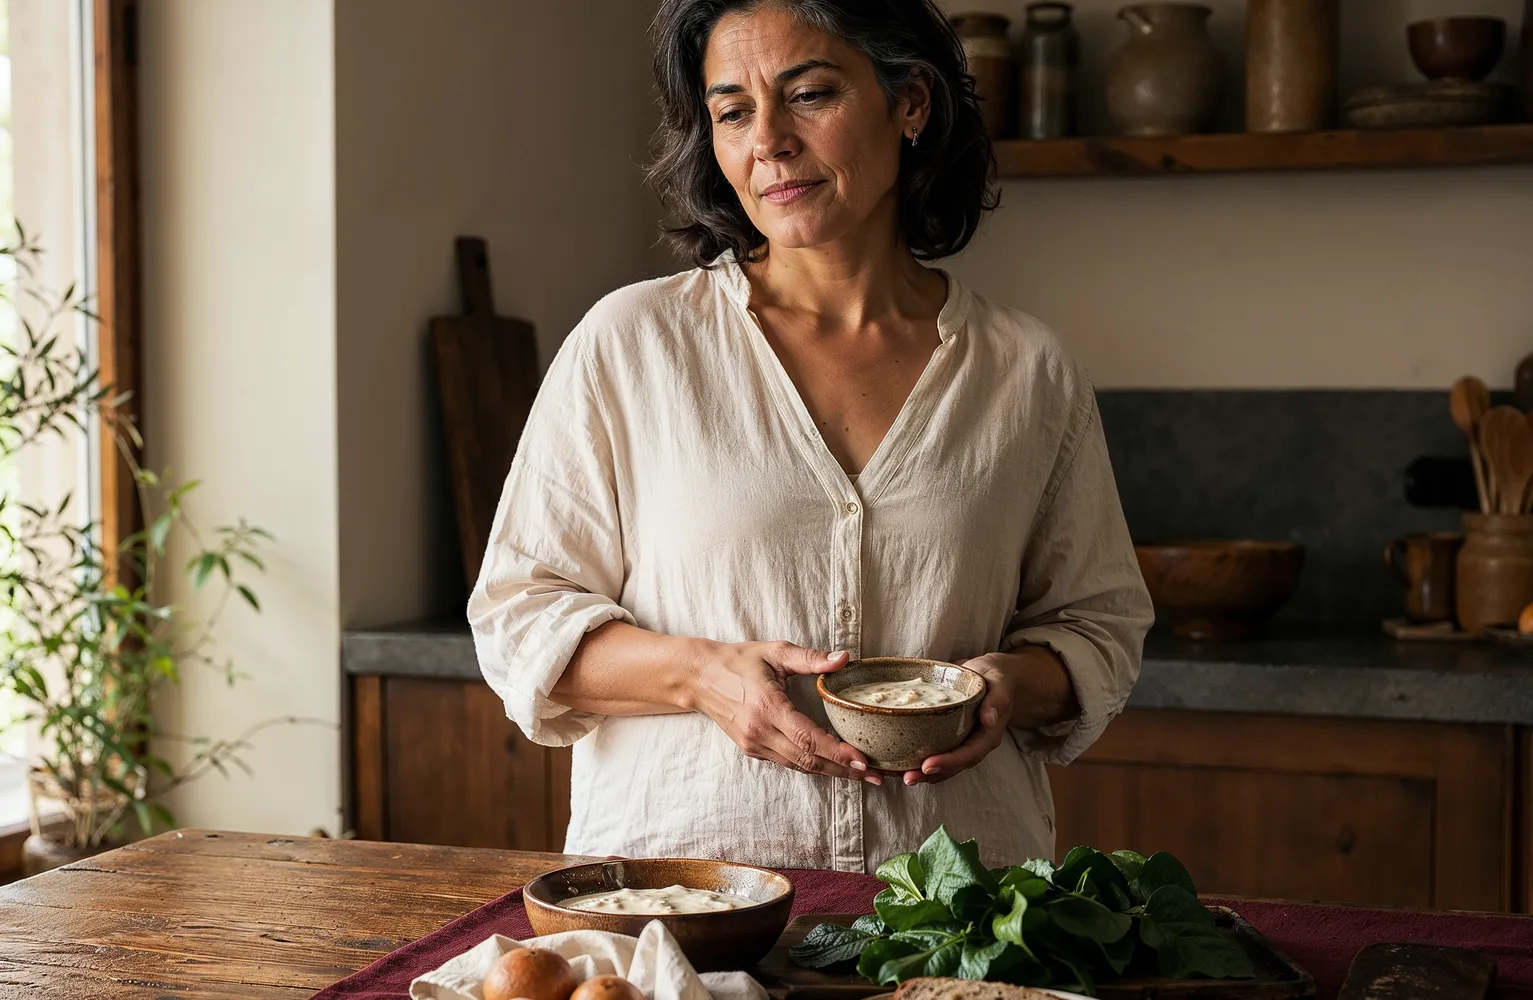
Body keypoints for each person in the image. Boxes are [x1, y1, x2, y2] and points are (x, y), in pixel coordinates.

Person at [469, 0, 1152, 871]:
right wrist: (703, 678)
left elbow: (1097, 624)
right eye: (733, 112)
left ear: (910, 103)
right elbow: (519, 617)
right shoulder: (633, 346)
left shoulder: (1025, 372)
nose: (771, 142)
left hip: (958, 909)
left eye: (812, 94)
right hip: (687, 904)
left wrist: (1011, 688)